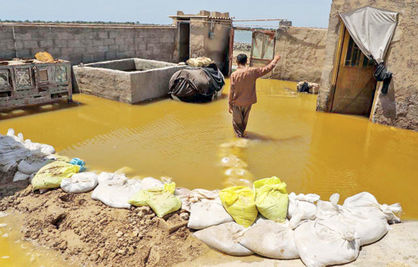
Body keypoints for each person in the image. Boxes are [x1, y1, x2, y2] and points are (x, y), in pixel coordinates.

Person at [228, 53, 281, 137]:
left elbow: (231, 90)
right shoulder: (253, 71)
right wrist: (275, 60)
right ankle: (242, 138)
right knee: (244, 123)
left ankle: (239, 143)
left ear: (237, 61)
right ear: (246, 61)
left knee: (237, 125)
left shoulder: (234, 75)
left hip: (237, 103)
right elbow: (267, 69)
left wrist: (229, 104)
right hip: (248, 103)